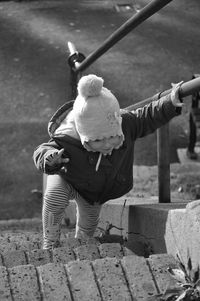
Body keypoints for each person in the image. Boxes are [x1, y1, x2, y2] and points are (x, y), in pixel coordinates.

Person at [33, 74, 183, 249]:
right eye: (97, 140)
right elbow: (42, 150)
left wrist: (170, 101)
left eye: (113, 137)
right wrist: (50, 159)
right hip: (68, 177)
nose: (106, 145)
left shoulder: (127, 124)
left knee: (88, 224)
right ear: (83, 136)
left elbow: (149, 115)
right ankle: (50, 242)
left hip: (94, 192)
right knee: (54, 197)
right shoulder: (67, 137)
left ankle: (82, 244)